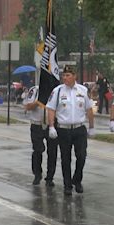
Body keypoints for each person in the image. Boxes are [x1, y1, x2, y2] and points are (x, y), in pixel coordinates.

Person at [46, 65, 95, 195]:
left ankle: (77, 180)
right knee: (65, 158)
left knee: (81, 156)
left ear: (75, 76)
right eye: (64, 75)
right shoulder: (57, 91)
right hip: (63, 129)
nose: (65, 78)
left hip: (79, 129)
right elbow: (51, 109)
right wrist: (51, 126)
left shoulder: (83, 90)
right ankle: (67, 185)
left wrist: (91, 127)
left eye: (68, 75)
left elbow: (89, 109)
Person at [23, 85, 58, 186]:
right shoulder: (34, 90)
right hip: (37, 124)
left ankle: (50, 177)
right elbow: (28, 107)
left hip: (50, 124)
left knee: (52, 152)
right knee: (38, 150)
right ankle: (37, 174)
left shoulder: (56, 90)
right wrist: (38, 101)